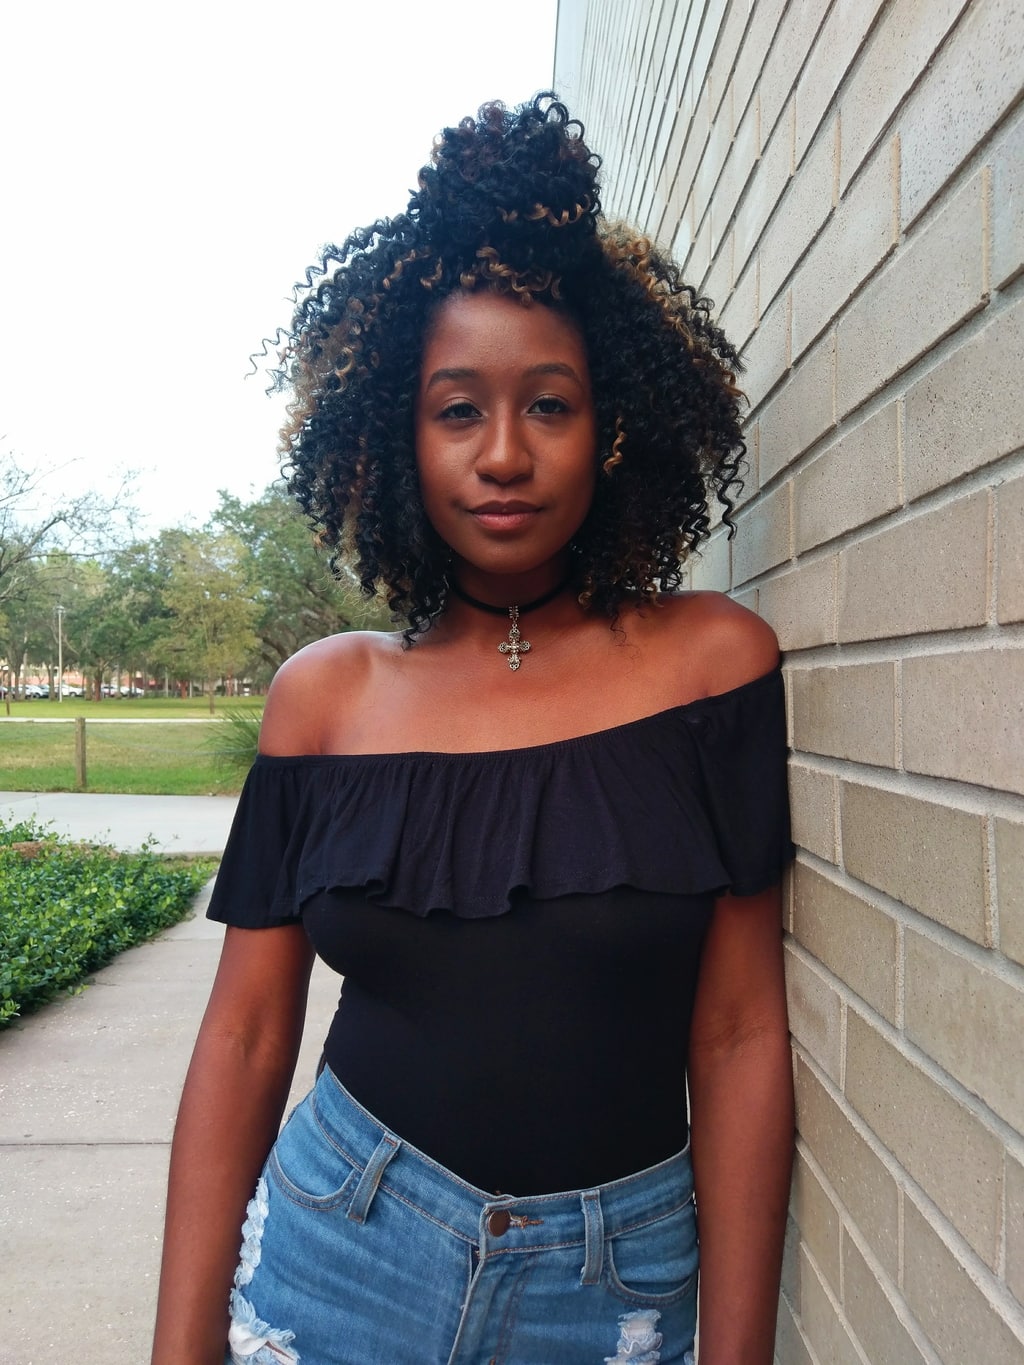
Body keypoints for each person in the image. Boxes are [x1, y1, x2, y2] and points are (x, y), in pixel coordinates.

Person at [151, 94, 794, 1365]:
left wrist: (736, 1352)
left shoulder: (714, 664)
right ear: (399, 436)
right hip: (342, 1246)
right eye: (458, 410)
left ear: (612, 434)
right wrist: (178, 1346)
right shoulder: (322, 698)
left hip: (615, 1288)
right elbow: (244, 1034)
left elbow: (736, 1033)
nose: (503, 453)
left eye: (546, 406)